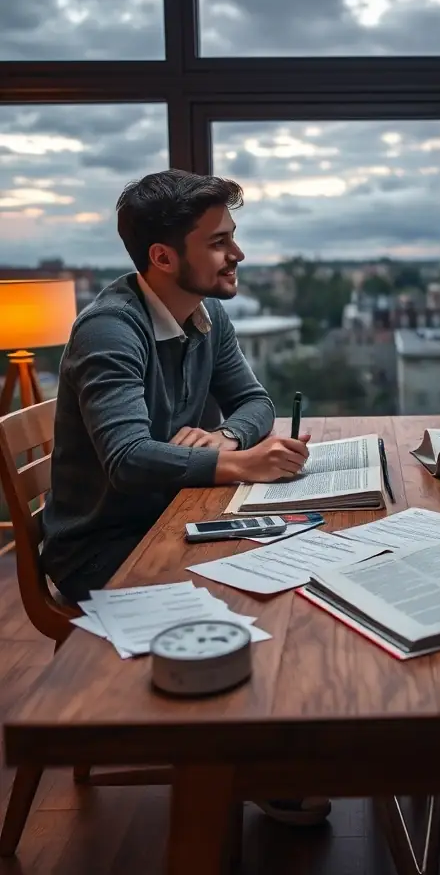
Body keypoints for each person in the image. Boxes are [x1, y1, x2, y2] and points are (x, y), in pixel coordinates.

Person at [41, 169, 329, 827]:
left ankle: (267, 750)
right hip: (106, 548)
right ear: (163, 258)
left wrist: (225, 435)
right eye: (220, 241)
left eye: (234, 236)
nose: (238, 253)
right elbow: (128, 460)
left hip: (170, 519)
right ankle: (240, 764)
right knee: (273, 595)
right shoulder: (110, 330)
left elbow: (253, 401)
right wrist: (229, 462)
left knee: (302, 565)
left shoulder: (206, 313)